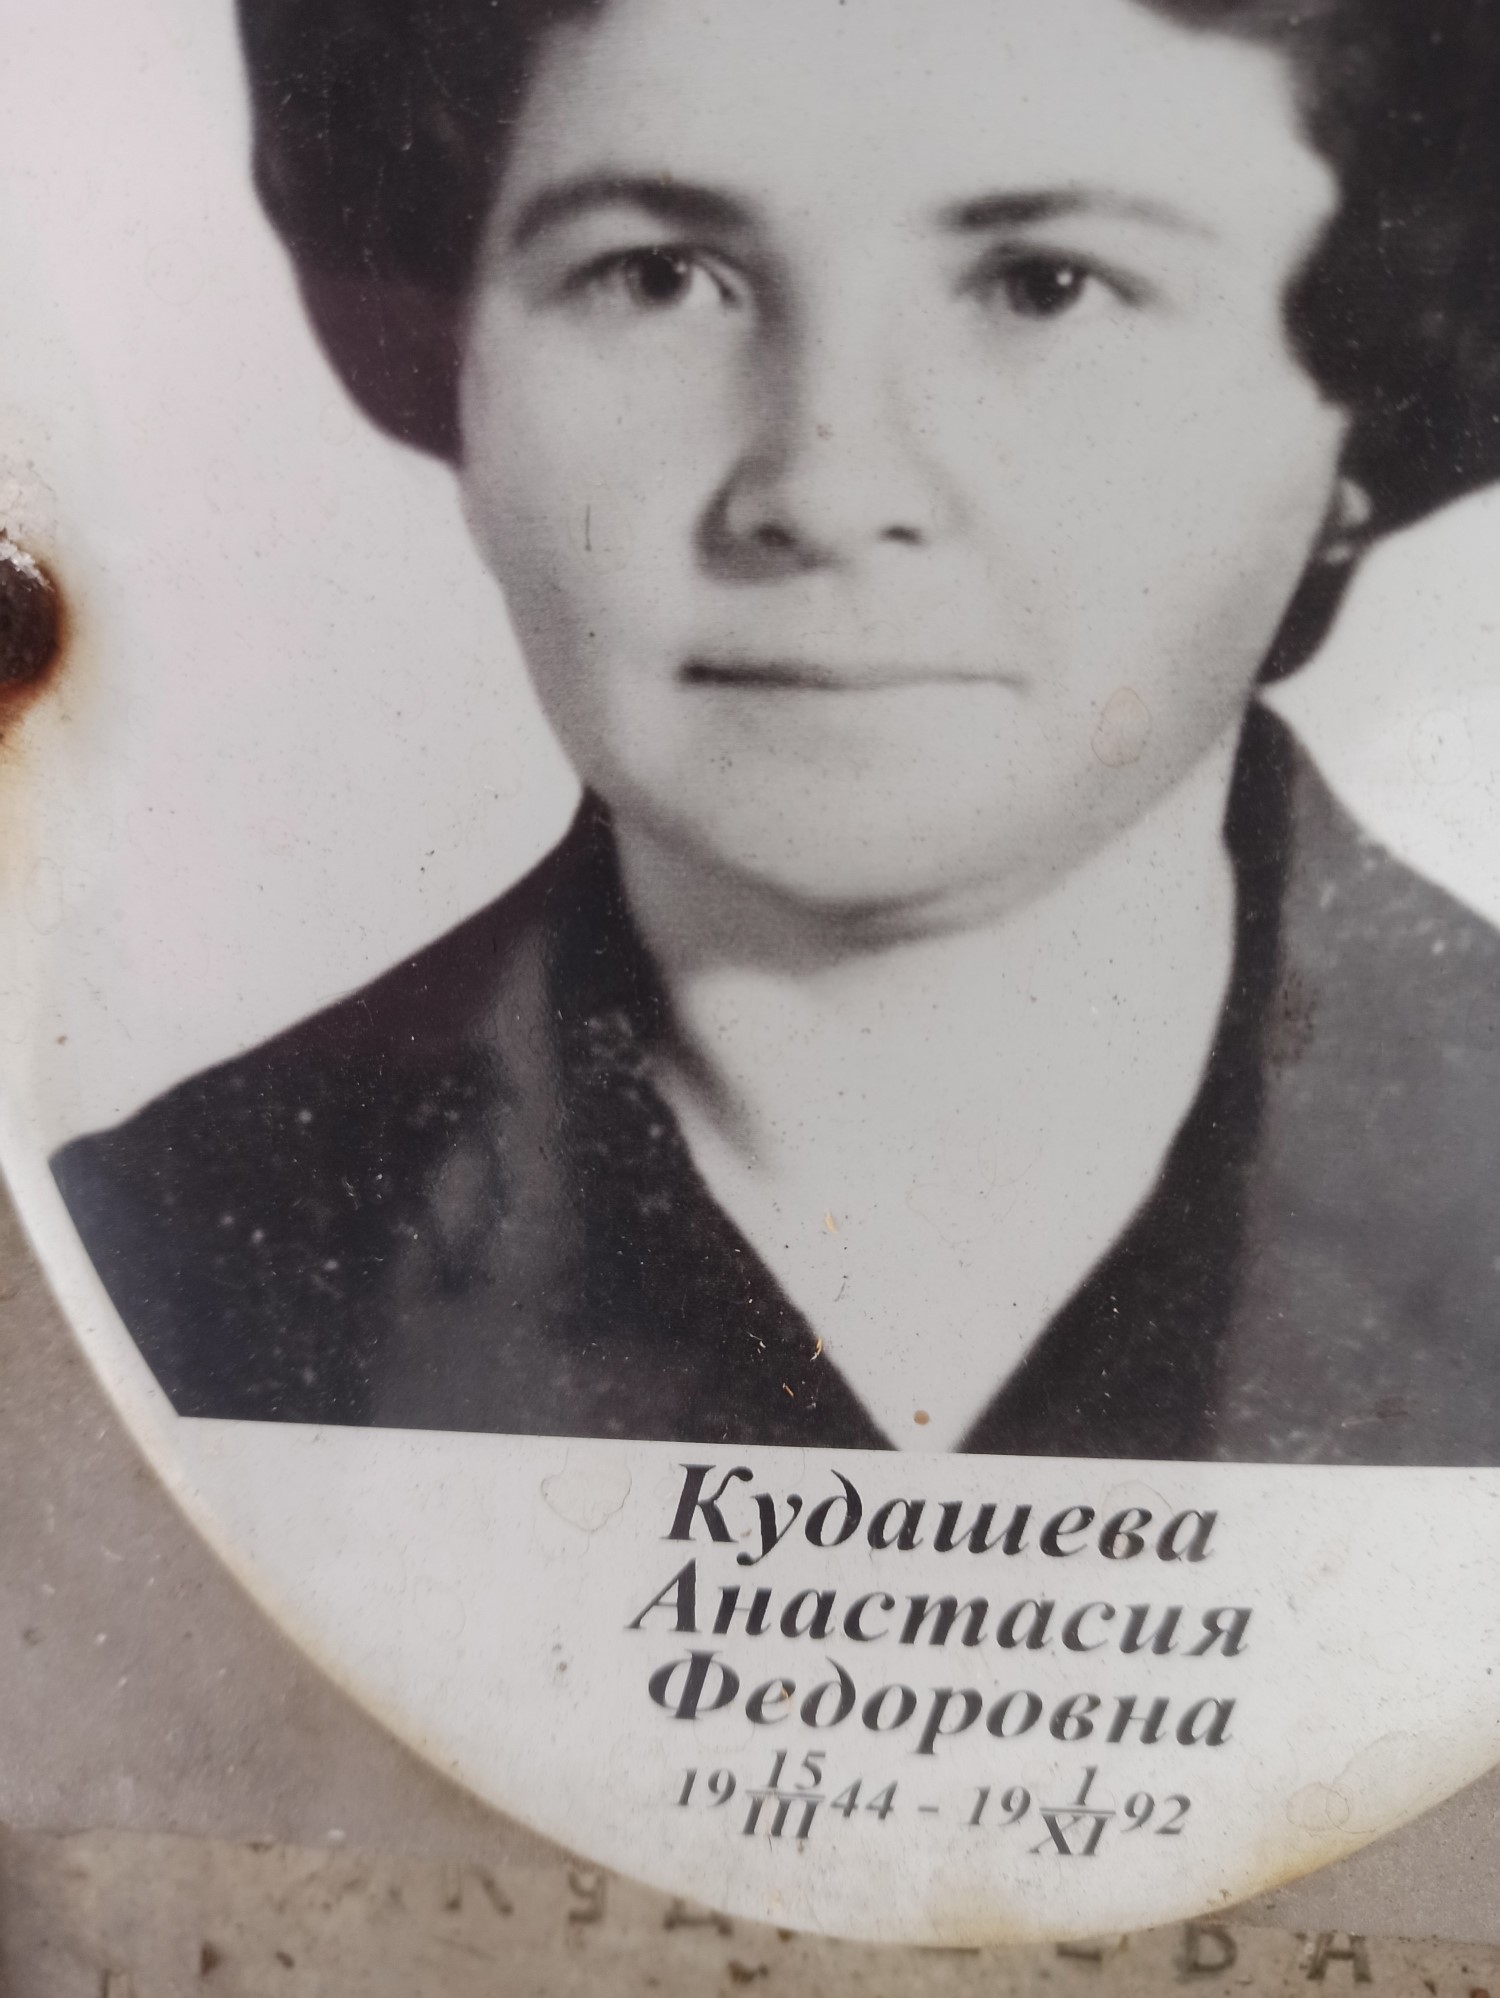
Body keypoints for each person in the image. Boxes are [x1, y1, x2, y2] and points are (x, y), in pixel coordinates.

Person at [53, 0, 1500, 1460]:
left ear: (1368, 401)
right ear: (460, 377)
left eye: (1045, 286)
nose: (820, 486)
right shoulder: (144, 1266)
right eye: (656, 277)